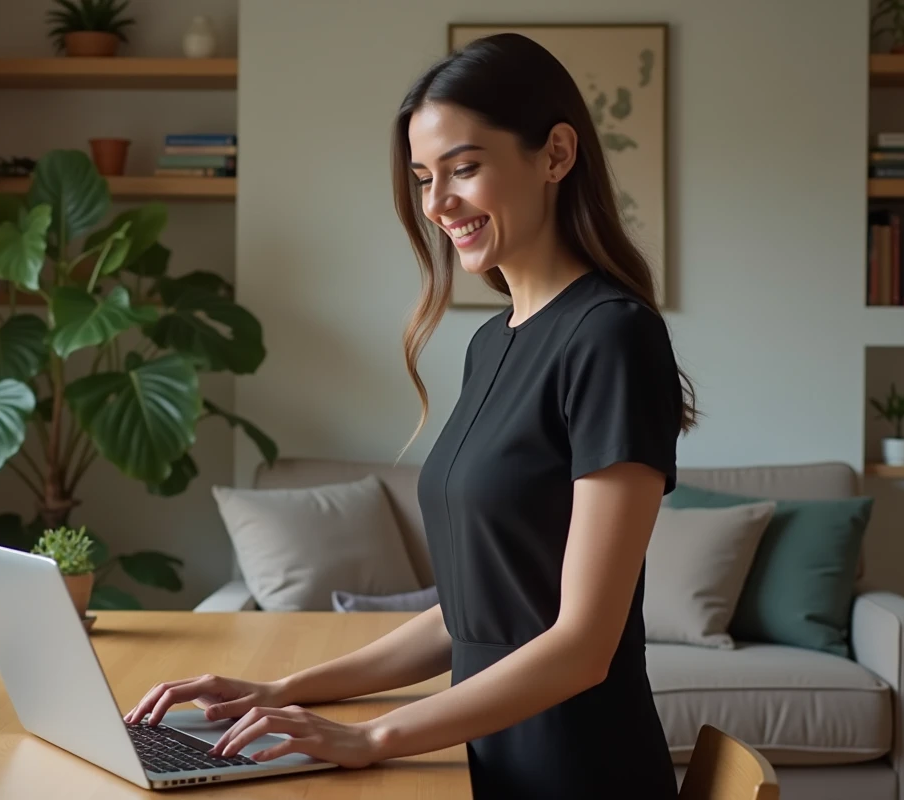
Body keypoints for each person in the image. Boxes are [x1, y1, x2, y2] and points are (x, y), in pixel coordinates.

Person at [124, 32, 698, 799]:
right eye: (425, 178)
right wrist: (283, 691)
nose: (436, 204)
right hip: (489, 760)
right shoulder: (493, 342)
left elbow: (583, 646)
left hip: (579, 772)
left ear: (556, 155)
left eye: (464, 168)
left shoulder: (612, 336)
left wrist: (373, 736)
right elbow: (468, 616)